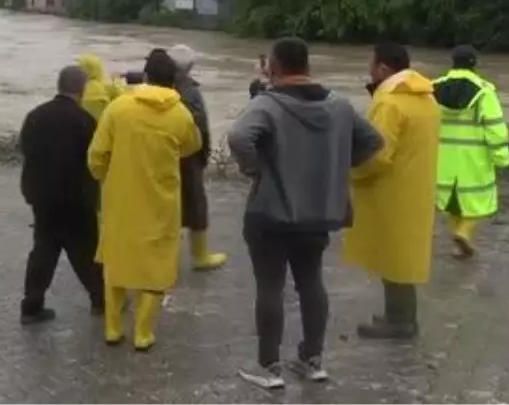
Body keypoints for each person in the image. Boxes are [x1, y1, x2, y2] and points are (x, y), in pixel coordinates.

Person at [226, 37, 382, 389]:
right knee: (311, 281)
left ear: (275, 68)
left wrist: (256, 170)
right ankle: (312, 360)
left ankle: (269, 368)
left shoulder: (267, 104)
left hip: (270, 212)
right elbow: (374, 141)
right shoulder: (339, 105)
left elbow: (238, 137)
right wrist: (339, 163)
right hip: (319, 211)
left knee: (270, 286)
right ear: (308, 66)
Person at [87, 50, 200, 352]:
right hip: (161, 201)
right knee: (156, 264)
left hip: (120, 197)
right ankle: (143, 333)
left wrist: (104, 178)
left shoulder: (118, 108)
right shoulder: (181, 114)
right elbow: (192, 147)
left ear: (146, 76)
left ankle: (112, 329)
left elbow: (96, 156)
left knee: (117, 258)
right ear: (173, 80)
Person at [343, 42, 440, 340]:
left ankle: (399, 322)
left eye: (370, 64)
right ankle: (401, 316)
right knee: (404, 254)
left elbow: (377, 153)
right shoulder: (425, 97)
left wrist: (352, 173)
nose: (368, 69)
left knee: (394, 255)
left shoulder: (389, 102)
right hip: (417, 187)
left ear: (383, 68)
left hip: (391, 191)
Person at [17, 65, 104, 324]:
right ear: (82, 89)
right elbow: (96, 159)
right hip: (76, 199)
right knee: (87, 251)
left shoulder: (35, 115)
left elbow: (24, 148)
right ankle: (101, 301)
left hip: (42, 196)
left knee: (43, 250)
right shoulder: (85, 121)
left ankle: (31, 307)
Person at [431, 45, 509, 259]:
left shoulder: (433, 88)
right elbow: (495, 126)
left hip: (443, 159)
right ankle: (463, 234)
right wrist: (501, 157)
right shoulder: (484, 92)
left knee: (452, 202)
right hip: (475, 160)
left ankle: (458, 245)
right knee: (479, 202)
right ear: (474, 64)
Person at [166, 44, 227, 271]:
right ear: (190, 66)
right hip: (188, 155)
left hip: (160, 153)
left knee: (163, 205)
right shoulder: (190, 91)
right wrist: (205, 154)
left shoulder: (151, 84)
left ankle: (165, 259)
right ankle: (200, 257)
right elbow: (200, 127)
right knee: (195, 206)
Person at [77, 54, 124, 122]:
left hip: (84, 125)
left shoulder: (77, 89)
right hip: (104, 123)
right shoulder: (107, 86)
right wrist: (116, 80)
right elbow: (122, 97)